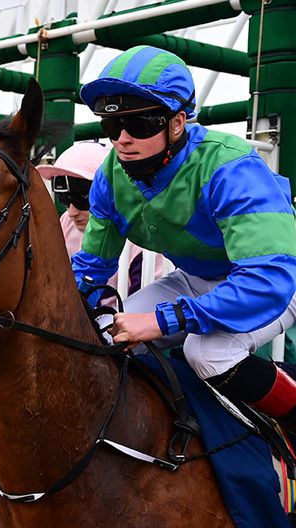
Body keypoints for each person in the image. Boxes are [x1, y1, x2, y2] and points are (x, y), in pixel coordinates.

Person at [74, 45, 296, 432]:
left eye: (138, 124)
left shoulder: (230, 166)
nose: (122, 139)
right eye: (111, 126)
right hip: (194, 278)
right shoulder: (111, 174)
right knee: (105, 336)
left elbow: (267, 280)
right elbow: (90, 270)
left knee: (208, 352)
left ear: (177, 122)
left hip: (276, 280)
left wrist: (165, 320)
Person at [38, 141, 162, 298]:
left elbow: (145, 303)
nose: (71, 212)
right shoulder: (65, 223)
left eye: (82, 198)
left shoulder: (142, 233)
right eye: (64, 199)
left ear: (104, 193)